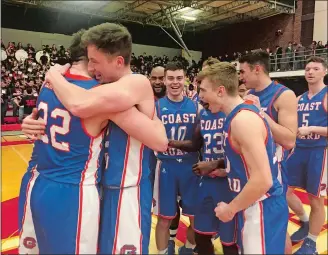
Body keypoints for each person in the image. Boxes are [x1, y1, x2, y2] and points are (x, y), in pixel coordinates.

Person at [19, 27, 168, 254]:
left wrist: (52, 75)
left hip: (127, 188)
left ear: (117, 61)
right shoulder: (98, 89)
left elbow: (160, 141)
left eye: (95, 61)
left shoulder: (132, 83)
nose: (91, 68)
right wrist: (31, 122)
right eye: (89, 61)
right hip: (98, 186)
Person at [198, 62, 288, 254]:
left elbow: (263, 179)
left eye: (204, 90)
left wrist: (230, 209)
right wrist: (231, 171)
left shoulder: (242, 121)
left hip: (262, 205)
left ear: (220, 91)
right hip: (252, 203)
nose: (201, 96)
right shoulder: (237, 115)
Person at [240, 50, 298, 253]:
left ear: (257, 69)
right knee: (258, 228)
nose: (241, 76)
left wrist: (262, 115)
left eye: (243, 71)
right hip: (252, 170)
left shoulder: (284, 95)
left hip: (275, 172)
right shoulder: (248, 95)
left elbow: (290, 140)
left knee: (278, 229)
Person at [152, 61, 200, 255]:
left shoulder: (196, 106)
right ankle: (164, 252)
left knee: (196, 218)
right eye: (170, 78)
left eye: (179, 78)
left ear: (185, 79)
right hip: (165, 167)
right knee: (164, 219)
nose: (175, 82)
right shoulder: (155, 106)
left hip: (191, 167)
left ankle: (188, 249)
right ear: (164, 80)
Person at [286, 56, 327, 255]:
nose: (310, 72)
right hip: (298, 149)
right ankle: (304, 221)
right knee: (284, 191)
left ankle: (311, 243)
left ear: (324, 72)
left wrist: (312, 128)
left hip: (319, 151)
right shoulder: (299, 98)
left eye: (315, 69)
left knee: (315, 199)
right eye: (308, 68)